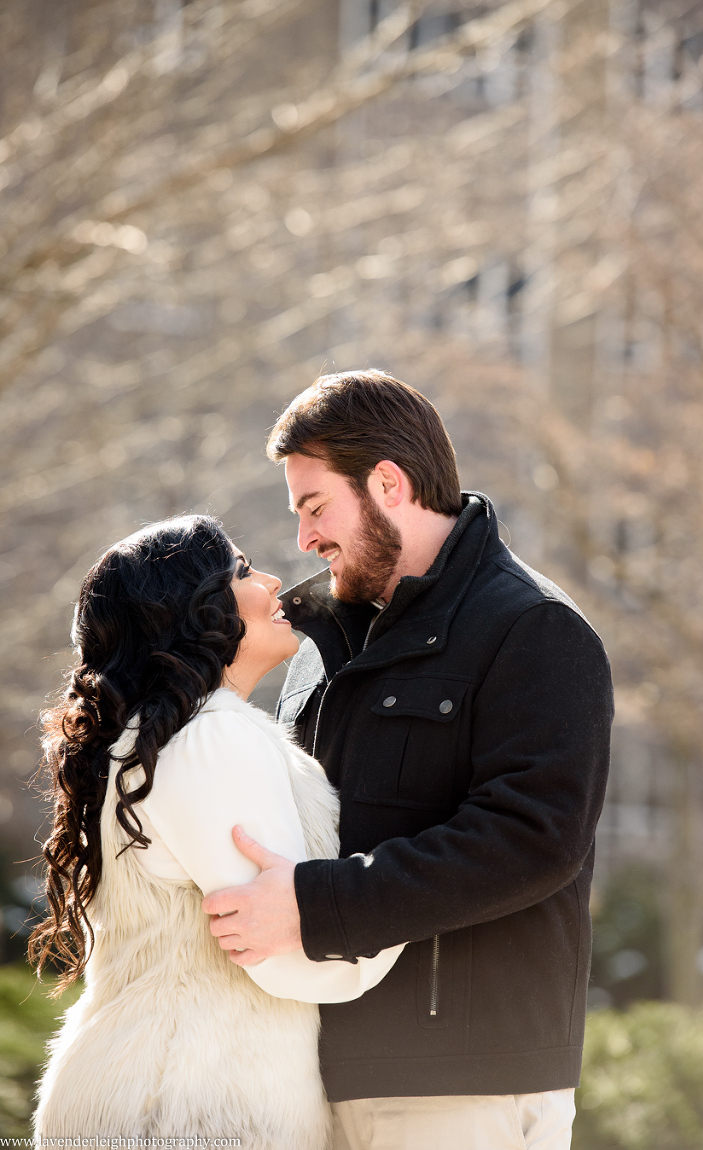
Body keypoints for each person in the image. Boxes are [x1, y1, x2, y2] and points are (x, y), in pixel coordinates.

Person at [201, 371, 614, 1150]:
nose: (304, 540)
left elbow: (532, 839)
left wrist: (317, 906)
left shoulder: (536, 630)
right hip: (314, 1074)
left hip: (464, 1087)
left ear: (388, 484)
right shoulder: (319, 641)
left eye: (315, 507)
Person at [30, 514, 402, 1149]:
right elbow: (291, 958)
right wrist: (418, 895)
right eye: (244, 570)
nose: (276, 580)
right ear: (194, 610)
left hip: (150, 1095)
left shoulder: (157, 738)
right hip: (192, 1109)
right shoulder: (213, 737)